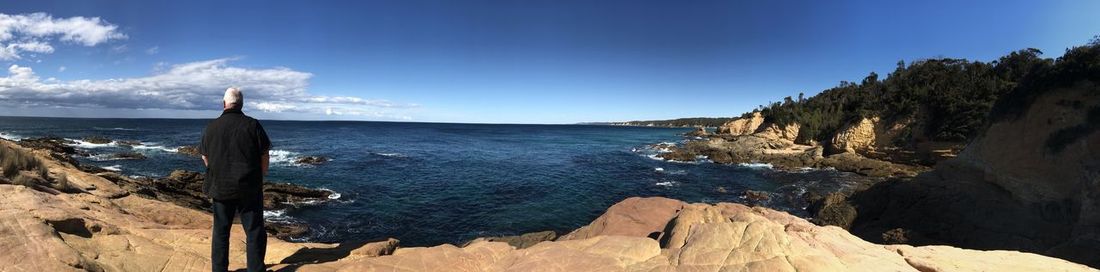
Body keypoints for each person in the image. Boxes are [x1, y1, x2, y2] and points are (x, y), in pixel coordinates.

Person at [200, 87, 272, 272]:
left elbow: (204, 156)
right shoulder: (252, 124)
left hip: (220, 187)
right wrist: (262, 173)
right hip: (248, 187)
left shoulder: (211, 127)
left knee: (221, 232)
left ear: (224, 104)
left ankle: (219, 270)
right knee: (254, 230)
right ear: (241, 104)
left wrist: (215, 170)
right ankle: (255, 269)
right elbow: (264, 153)